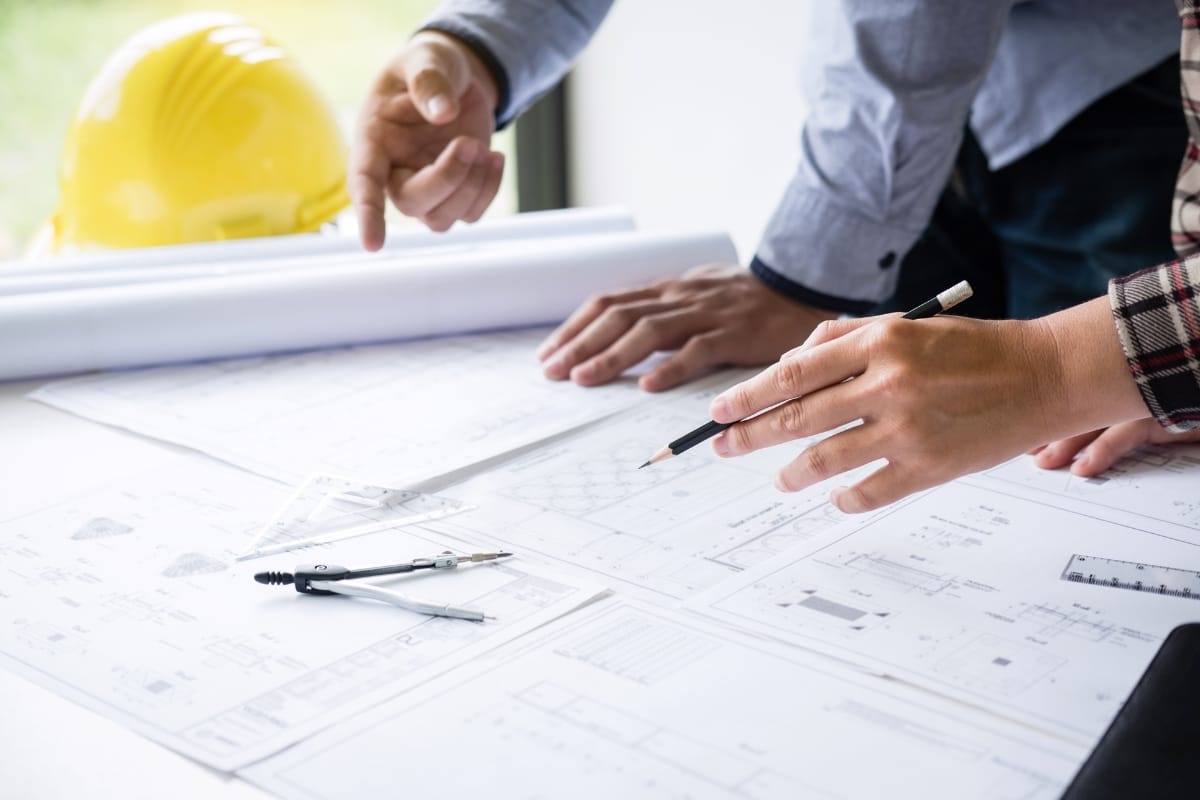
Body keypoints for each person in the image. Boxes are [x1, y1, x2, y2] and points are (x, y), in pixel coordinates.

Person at [352, 0, 1198, 507]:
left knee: (1084, 456)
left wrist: (1087, 365)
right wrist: (484, 43)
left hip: (1112, 90)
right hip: (947, 121)